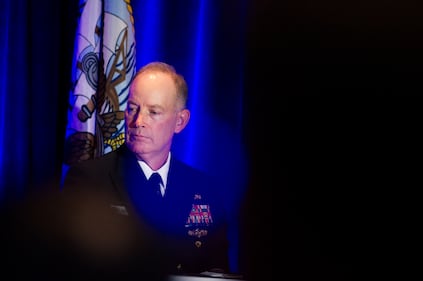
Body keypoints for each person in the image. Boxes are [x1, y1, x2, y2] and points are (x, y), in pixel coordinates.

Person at [61, 61, 233, 279]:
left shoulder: (205, 189)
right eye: (132, 108)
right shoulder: (90, 180)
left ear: (180, 121)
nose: (138, 121)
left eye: (154, 112)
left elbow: (217, 270)